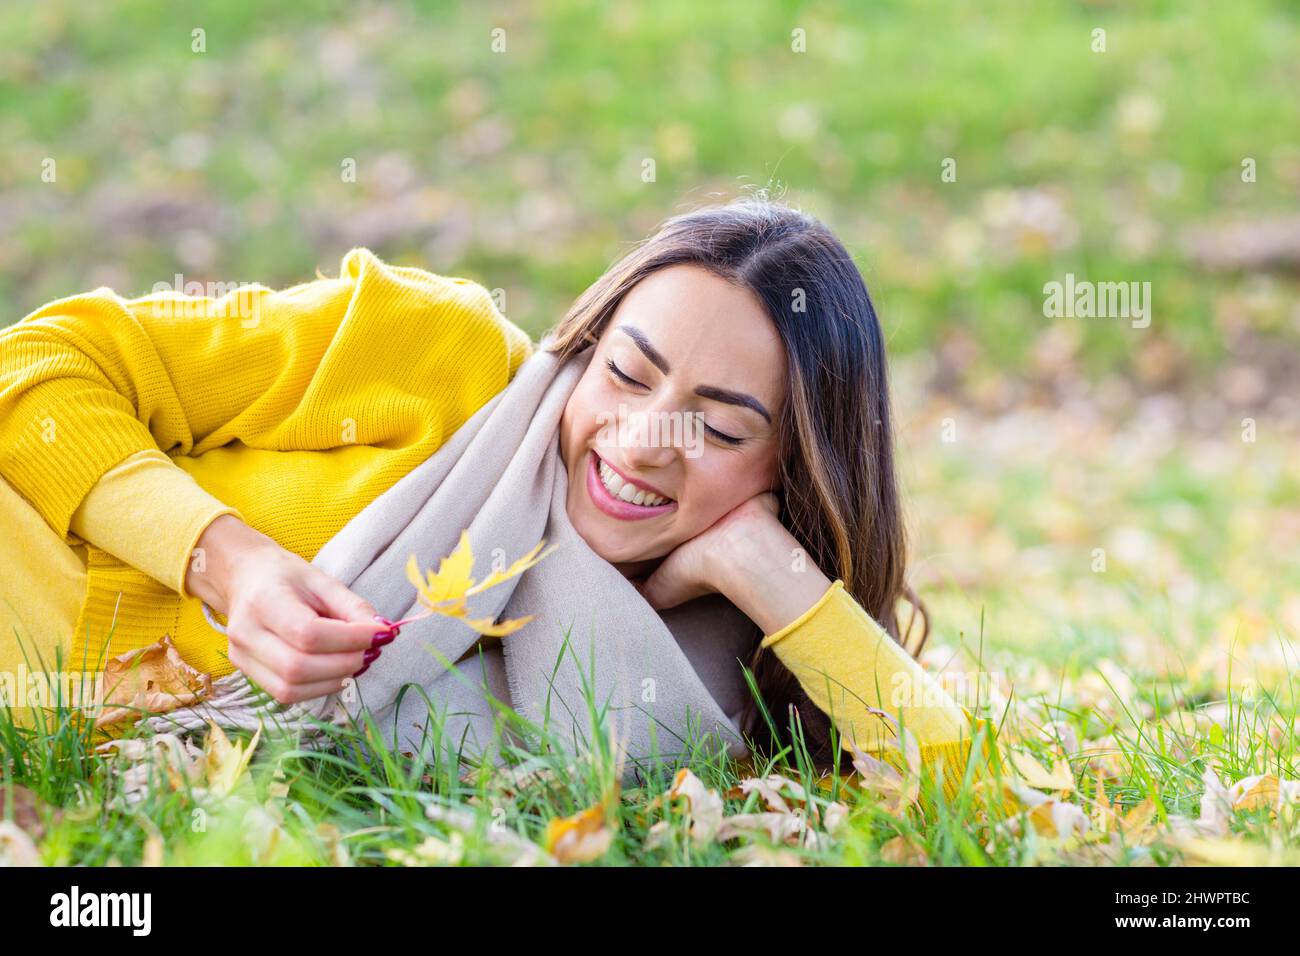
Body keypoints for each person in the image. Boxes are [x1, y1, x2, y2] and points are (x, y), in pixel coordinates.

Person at [0, 198, 977, 795]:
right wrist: (224, 559)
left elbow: (948, 785)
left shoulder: (720, 668)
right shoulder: (437, 350)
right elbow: (39, 360)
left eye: (719, 428)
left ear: (795, 467)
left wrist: (776, 580)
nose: (639, 444)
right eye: (628, 376)